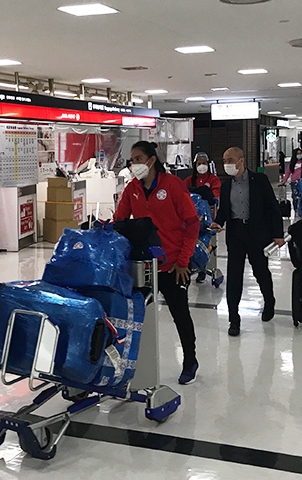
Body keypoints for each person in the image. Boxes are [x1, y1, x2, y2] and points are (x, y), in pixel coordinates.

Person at [115, 141, 200, 384]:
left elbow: (192, 223)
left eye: (138, 159)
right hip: (143, 267)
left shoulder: (172, 185)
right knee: (136, 317)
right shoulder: (132, 188)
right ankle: (134, 366)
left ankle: (190, 360)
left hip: (173, 265)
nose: (134, 164)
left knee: (180, 315)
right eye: (132, 160)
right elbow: (120, 220)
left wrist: (183, 261)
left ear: (151, 160)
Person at [210, 147, 285, 337]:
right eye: (224, 160)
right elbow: (225, 210)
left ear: (241, 161)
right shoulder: (226, 185)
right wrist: (218, 221)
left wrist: (278, 234)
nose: (227, 164)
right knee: (234, 277)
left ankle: (269, 301)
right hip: (235, 233)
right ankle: (233, 319)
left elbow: (272, 207)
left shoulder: (259, 181)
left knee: (261, 271)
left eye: (230, 160)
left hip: (257, 232)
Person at [184, 152, 222, 284]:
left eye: (204, 163)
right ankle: (193, 265)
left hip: (208, 217)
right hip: (191, 218)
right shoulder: (189, 179)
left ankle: (203, 268)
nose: (201, 166)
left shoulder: (213, 180)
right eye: (199, 164)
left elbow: (215, 196)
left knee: (206, 242)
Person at [280, 148, 302, 213]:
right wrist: (284, 181)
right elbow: (287, 173)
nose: (299, 155)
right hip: (294, 182)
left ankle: (301, 209)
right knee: (294, 196)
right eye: (297, 154)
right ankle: (296, 209)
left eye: (300, 153)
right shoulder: (292, 164)